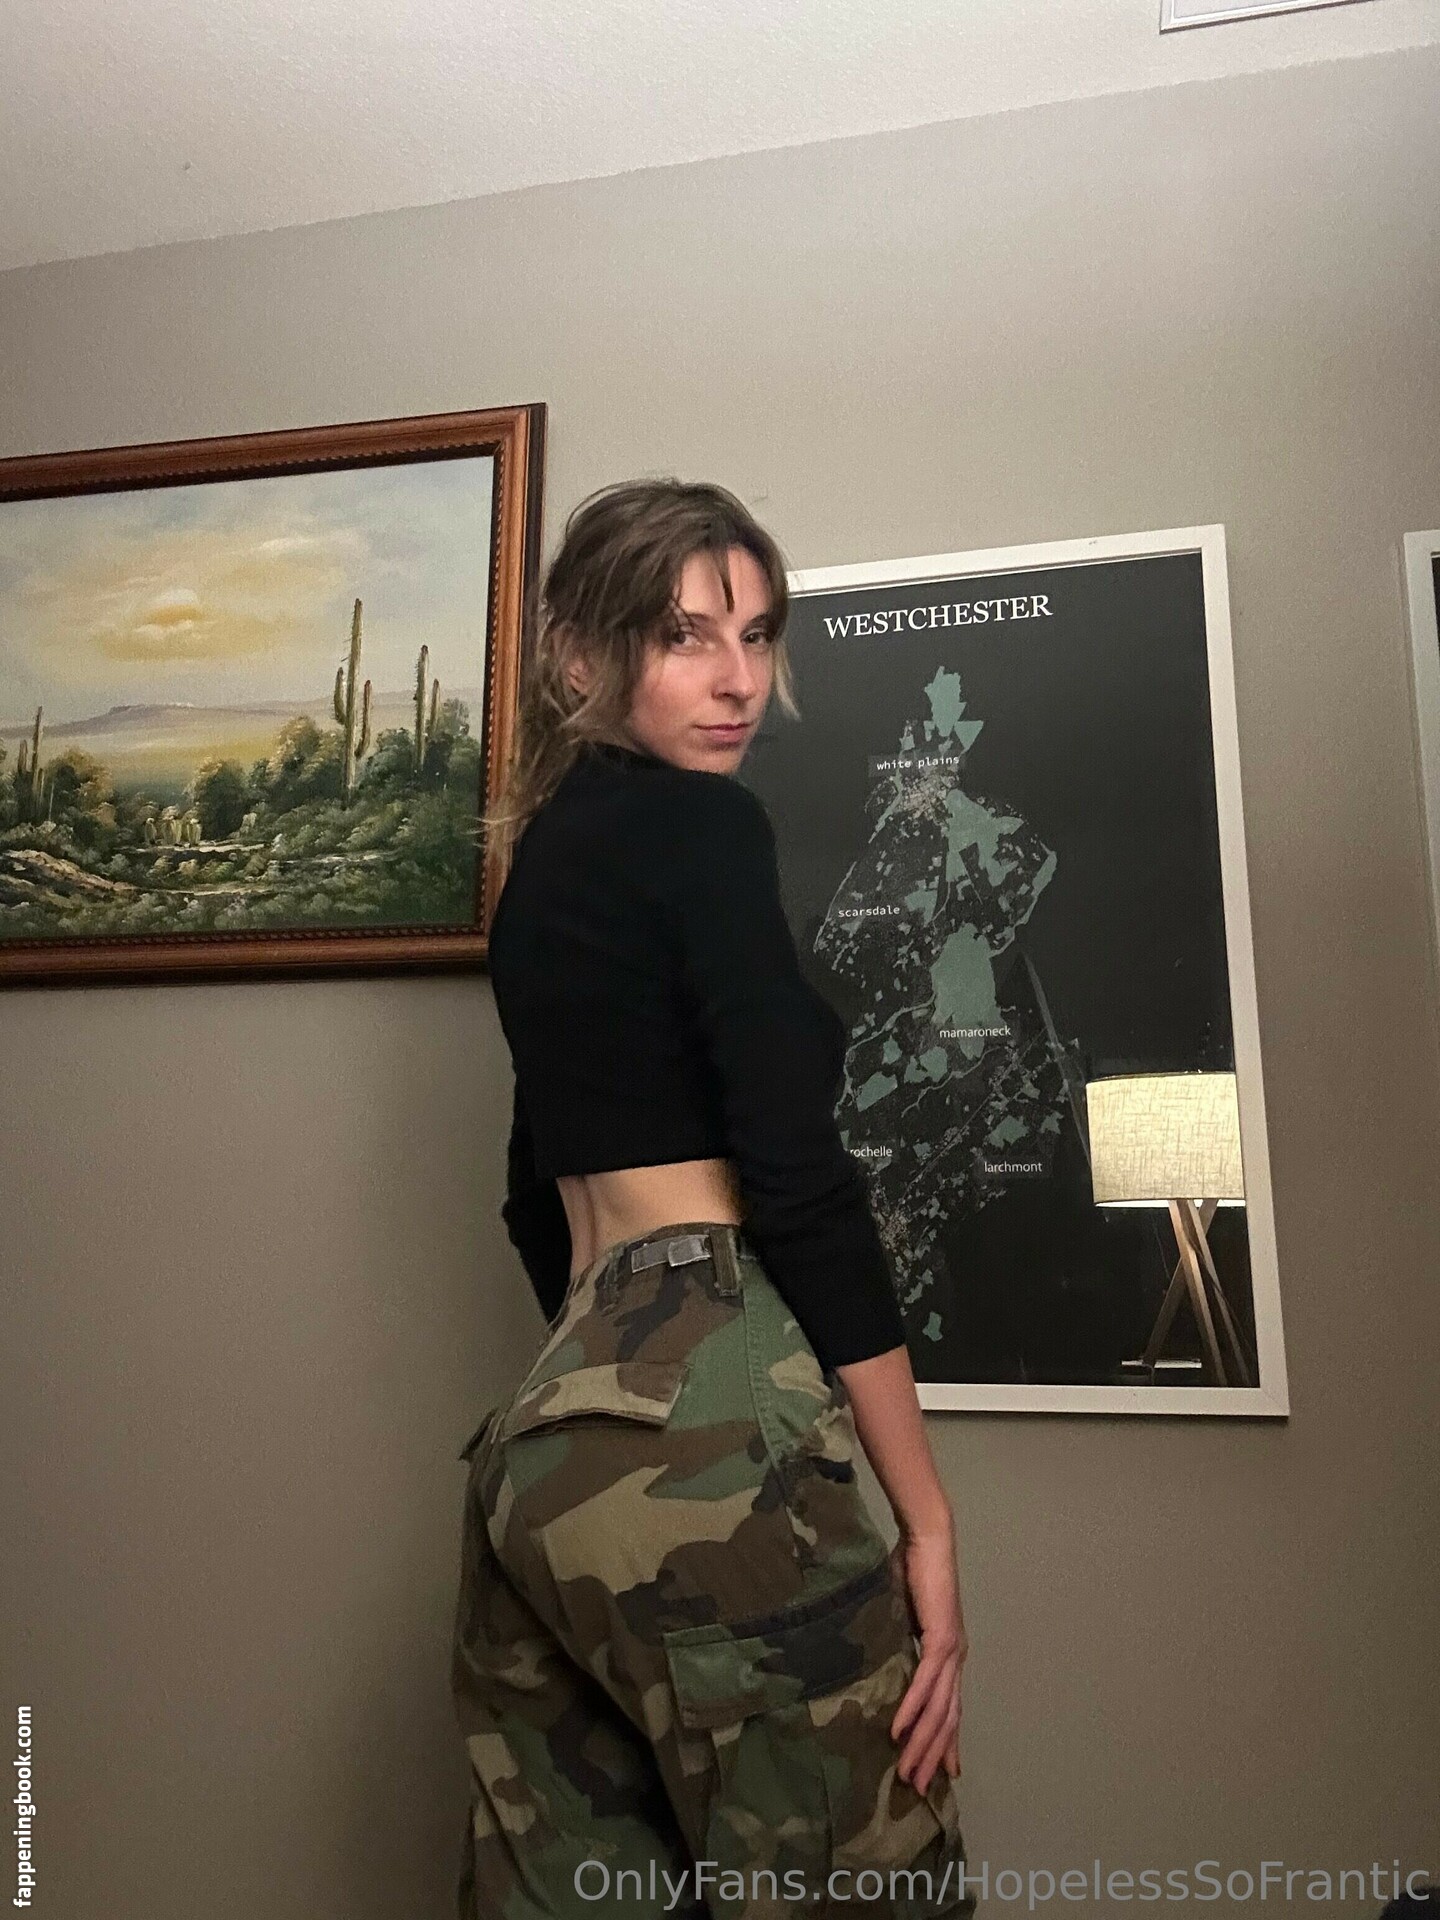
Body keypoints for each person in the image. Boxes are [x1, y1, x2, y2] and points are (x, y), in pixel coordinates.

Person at [450, 479, 975, 1919]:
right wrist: (928, 1521)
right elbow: (796, 1180)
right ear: (579, 655)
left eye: (756, 634)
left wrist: (612, 1399)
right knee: (855, 1890)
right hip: (710, 1397)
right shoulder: (707, 829)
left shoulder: (539, 869)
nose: (738, 679)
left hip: (541, 1444)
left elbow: (528, 1197)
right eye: (685, 636)